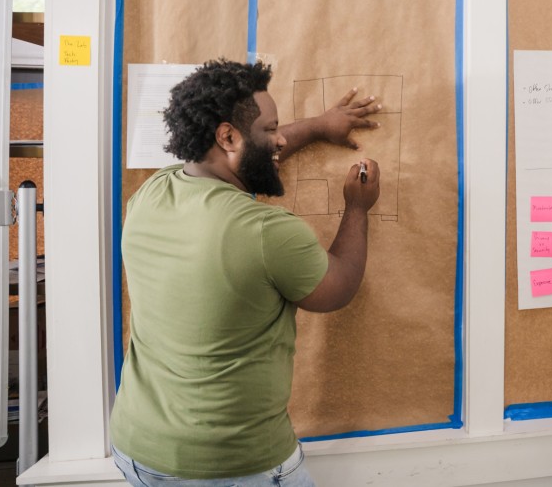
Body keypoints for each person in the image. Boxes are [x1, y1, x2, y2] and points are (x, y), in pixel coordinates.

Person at [109, 59, 381, 486]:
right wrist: (358, 208)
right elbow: (338, 287)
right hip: (232, 466)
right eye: (271, 128)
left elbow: (242, 162)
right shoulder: (265, 232)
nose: (280, 138)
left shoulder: (153, 192)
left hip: (138, 448)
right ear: (227, 136)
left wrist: (317, 126)